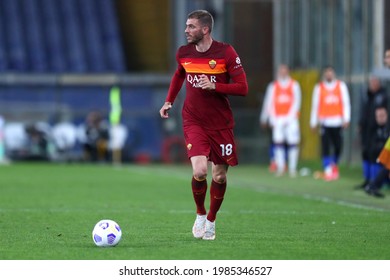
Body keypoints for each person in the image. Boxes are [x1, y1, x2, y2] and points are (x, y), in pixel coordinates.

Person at [159, 10, 248, 240]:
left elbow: (242, 87)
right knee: (199, 171)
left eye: (191, 26)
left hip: (220, 123)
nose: (186, 30)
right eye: (186, 26)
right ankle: (200, 214)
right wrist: (169, 100)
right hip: (193, 120)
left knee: (219, 177)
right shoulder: (184, 53)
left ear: (205, 29)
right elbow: (179, 75)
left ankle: (211, 219)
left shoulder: (226, 52)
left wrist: (216, 87)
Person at [310, 66, 351, 181]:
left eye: (330, 72)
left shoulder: (341, 86)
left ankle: (334, 165)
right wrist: (313, 122)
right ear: (324, 74)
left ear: (334, 74)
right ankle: (327, 169)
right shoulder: (319, 88)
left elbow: (345, 102)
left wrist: (346, 118)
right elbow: (315, 105)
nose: (329, 75)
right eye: (327, 73)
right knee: (325, 146)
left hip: (337, 121)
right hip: (325, 121)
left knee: (338, 145)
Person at [260, 64, 301, 177]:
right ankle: (281, 167)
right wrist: (266, 118)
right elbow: (268, 103)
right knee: (278, 143)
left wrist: (289, 117)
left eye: (285, 70)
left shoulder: (294, 85)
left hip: (291, 120)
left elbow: (297, 103)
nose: (283, 72)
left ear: (288, 71)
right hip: (277, 119)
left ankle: (292, 168)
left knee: (293, 142)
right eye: (281, 70)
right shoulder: (273, 86)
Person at [357, 76, 388, 189]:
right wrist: (361, 123)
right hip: (368, 129)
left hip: (378, 130)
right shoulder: (368, 95)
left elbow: (383, 114)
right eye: (371, 82)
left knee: (378, 155)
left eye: (374, 82)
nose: (372, 84)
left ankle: (377, 182)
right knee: (366, 153)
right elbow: (365, 111)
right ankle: (368, 180)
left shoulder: (383, 95)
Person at [364, 108, 390, 198]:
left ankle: (372, 186)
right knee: (387, 165)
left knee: (387, 166)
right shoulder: (373, 128)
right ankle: (373, 185)